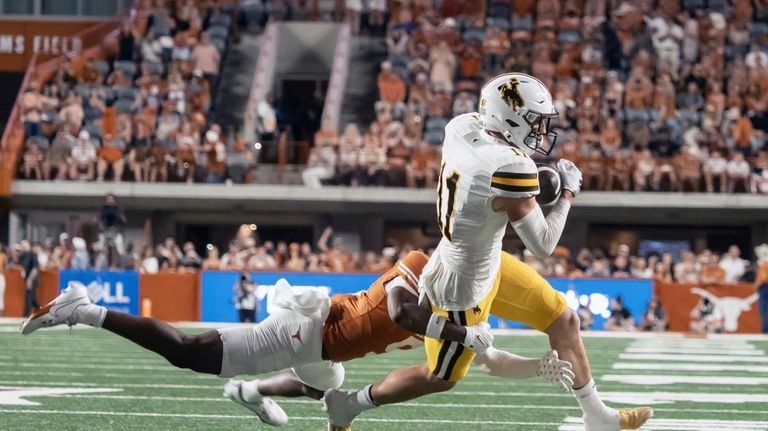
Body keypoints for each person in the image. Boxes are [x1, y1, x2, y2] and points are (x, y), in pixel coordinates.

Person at [323, 73, 652, 431]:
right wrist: (568, 194)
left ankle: (597, 417)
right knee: (439, 377)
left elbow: (491, 176)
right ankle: (348, 404)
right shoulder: (510, 166)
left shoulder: (461, 127)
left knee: (564, 319)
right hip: (462, 287)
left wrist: (527, 181)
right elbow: (543, 244)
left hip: (485, 259)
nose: (541, 132)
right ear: (509, 118)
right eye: (534, 121)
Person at [21, 251, 572, 427]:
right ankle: (84, 309)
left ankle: (254, 393)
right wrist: (461, 333)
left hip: (326, 353)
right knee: (190, 355)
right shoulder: (422, 266)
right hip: (307, 329)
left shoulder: (460, 302)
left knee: (324, 385)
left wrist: (542, 365)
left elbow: (489, 359)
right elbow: (405, 313)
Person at [19, 240, 40, 316]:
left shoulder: (32, 255)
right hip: (27, 278)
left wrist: (30, 279)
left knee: (28, 298)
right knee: (33, 300)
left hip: (32, 278)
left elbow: (35, 269)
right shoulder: (23, 255)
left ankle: (25, 316)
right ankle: (43, 312)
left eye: (24, 245)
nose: (23, 246)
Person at [755, 243, 768, 334]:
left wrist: (756, 285)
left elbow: (763, 278)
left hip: (764, 287)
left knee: (763, 309)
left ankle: (765, 328)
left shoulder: (764, 264)